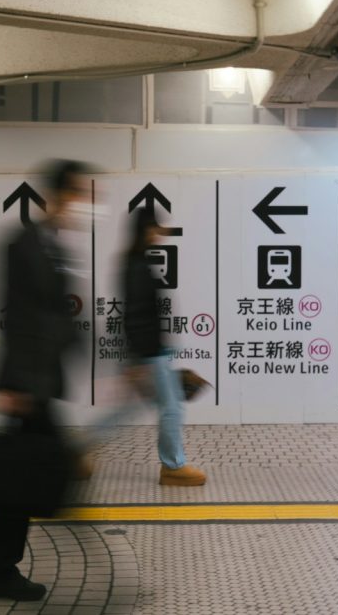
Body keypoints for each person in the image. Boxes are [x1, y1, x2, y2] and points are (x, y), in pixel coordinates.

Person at [0, 160, 88, 602]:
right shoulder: (23, 244)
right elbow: (19, 316)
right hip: (27, 385)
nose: (84, 207)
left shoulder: (49, 246)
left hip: (38, 382)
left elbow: (55, 315)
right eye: (81, 196)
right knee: (25, 477)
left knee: (28, 477)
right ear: (60, 196)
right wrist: (15, 386)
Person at [122, 207, 205, 486]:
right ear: (146, 230)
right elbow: (134, 314)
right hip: (149, 353)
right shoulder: (135, 266)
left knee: (123, 411)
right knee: (171, 408)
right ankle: (172, 466)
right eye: (156, 228)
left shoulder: (138, 262)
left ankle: (77, 451)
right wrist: (141, 358)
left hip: (154, 351)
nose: (160, 234)